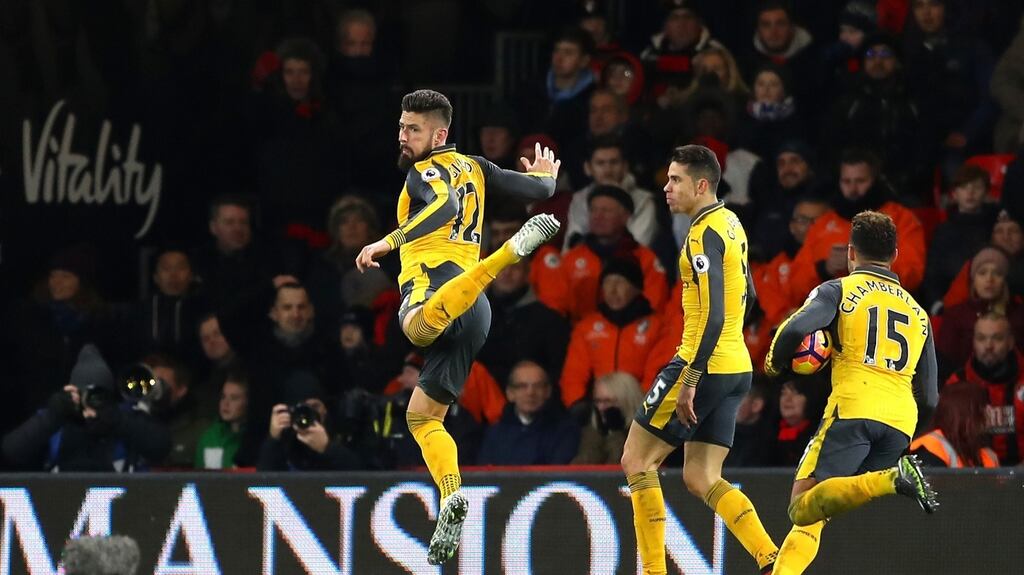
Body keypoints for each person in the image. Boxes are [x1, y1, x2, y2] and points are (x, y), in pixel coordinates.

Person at [353, 89, 561, 565]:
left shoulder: (423, 171)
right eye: (402, 126)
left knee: (413, 329)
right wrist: (546, 180)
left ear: (439, 134)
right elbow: (538, 191)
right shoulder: (478, 167)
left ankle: (509, 252)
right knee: (422, 417)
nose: (404, 136)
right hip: (475, 307)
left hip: (439, 292)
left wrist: (388, 242)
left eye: (414, 129)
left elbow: (445, 207)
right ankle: (451, 495)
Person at [622, 145, 779, 575]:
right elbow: (749, 295)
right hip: (736, 367)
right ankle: (770, 558)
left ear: (701, 184)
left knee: (637, 461)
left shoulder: (703, 233)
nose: (666, 187)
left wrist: (691, 375)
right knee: (701, 477)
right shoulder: (732, 223)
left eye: (675, 180)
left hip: (700, 364)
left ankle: (653, 570)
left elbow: (713, 311)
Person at [764, 211, 939, 575]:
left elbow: (794, 329)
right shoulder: (919, 313)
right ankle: (890, 477)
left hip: (853, 409)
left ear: (850, 253)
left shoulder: (838, 289)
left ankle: (892, 479)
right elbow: (931, 397)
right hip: (900, 423)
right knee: (816, 515)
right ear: (894, 254)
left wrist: (773, 367)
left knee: (800, 506)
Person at [477, 361, 580, 465]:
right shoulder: (494, 434)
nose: (530, 392)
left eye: (538, 386)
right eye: (522, 386)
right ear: (510, 393)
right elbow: (485, 475)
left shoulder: (566, 431)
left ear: (548, 391)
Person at [910, 381, 999, 468]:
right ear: (966, 413)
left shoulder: (986, 456)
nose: (990, 411)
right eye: (982, 407)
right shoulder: (930, 448)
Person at [573, 372, 644, 464]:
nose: (600, 407)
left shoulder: (645, 435)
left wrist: (616, 432)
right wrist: (598, 436)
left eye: (608, 401)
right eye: (598, 401)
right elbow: (581, 467)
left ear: (627, 401)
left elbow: (621, 466)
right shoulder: (591, 431)